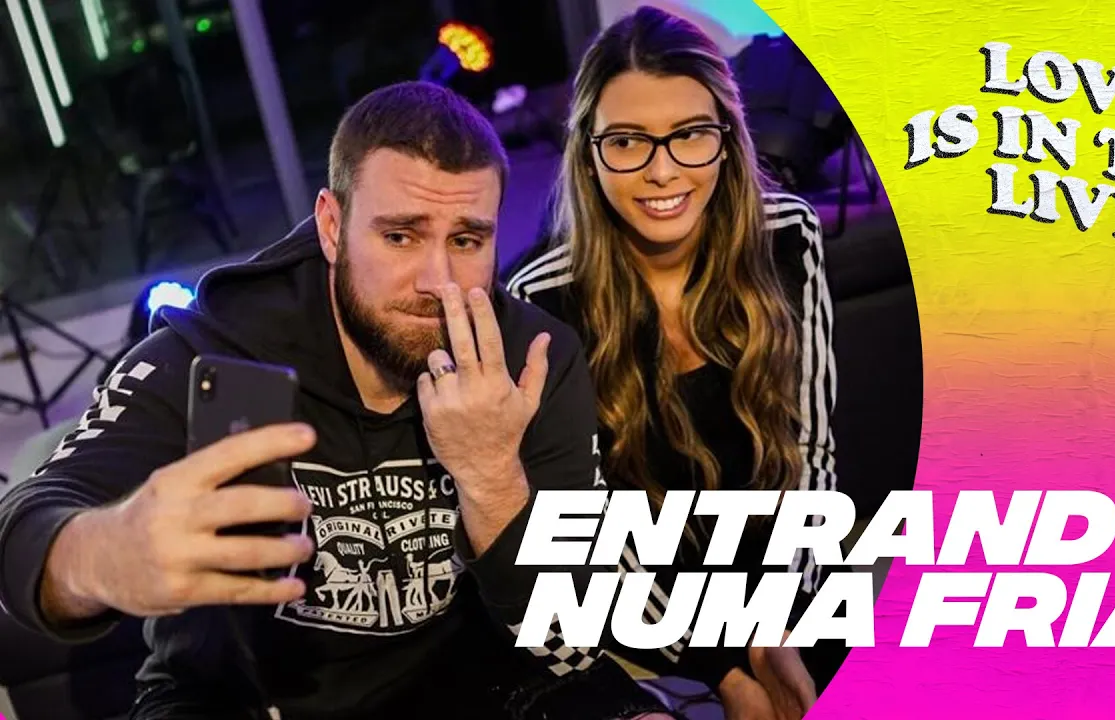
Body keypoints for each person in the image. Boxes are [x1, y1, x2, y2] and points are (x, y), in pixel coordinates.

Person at [0, 81, 669, 720]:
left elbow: (569, 639)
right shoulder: (210, 357)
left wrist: (492, 474)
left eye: (467, 240)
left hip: (483, 678)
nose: (438, 281)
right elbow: (22, 530)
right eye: (400, 235)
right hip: (248, 698)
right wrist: (108, 554)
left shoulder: (529, 361)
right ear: (330, 225)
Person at [505, 7, 838, 720]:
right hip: (643, 621)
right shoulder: (539, 300)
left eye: (690, 134)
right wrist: (727, 670)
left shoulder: (789, 235)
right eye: (628, 141)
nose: (663, 171)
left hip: (786, 588)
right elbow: (591, 529)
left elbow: (809, 454)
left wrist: (774, 628)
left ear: (727, 139)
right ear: (588, 153)